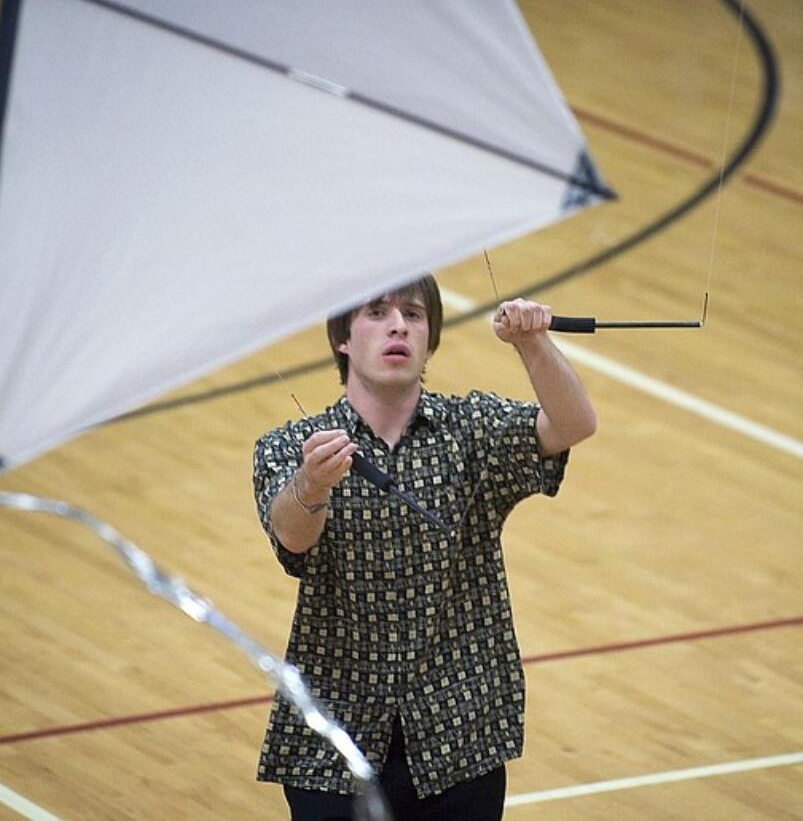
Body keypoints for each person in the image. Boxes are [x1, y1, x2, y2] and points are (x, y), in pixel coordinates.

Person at [252, 274, 596, 821]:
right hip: (334, 739)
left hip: (459, 734)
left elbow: (574, 423)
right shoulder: (293, 447)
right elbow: (290, 538)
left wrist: (533, 343)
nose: (398, 326)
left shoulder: (472, 431)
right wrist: (311, 485)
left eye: (413, 315)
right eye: (377, 313)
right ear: (343, 338)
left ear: (430, 338)